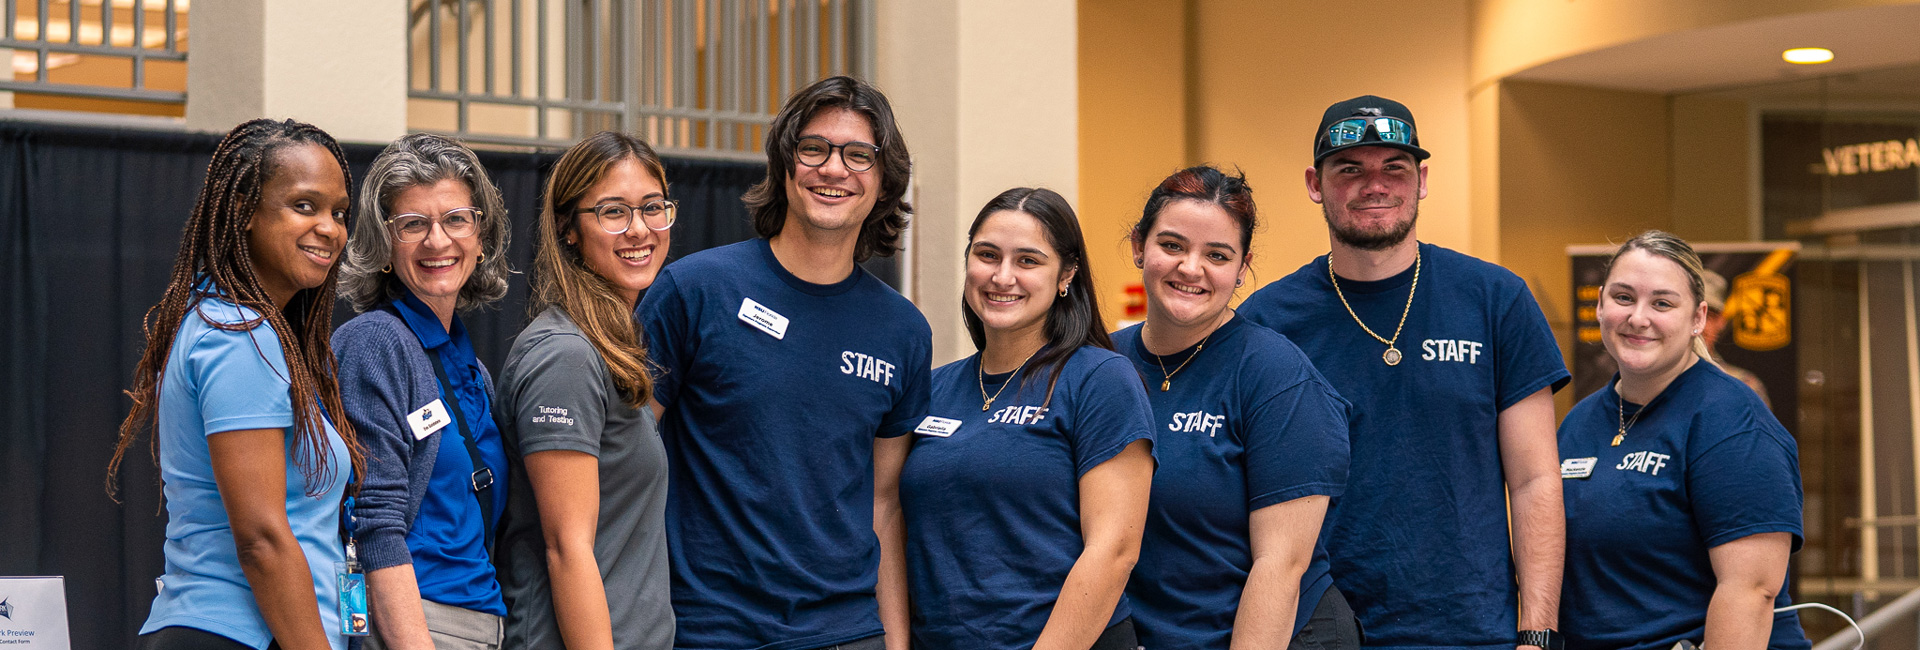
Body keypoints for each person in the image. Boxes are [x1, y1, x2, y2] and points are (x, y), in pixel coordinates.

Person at [1237, 95, 1570, 650]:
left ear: (1421, 180)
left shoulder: (1495, 299)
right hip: (1318, 628)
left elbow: (1535, 480)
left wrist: (1537, 632)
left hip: (1469, 630)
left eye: (1395, 167)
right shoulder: (1267, 321)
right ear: (1314, 183)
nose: (1375, 184)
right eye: (1350, 169)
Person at [636, 75, 931, 650]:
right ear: (785, 164)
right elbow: (628, 459)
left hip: (848, 632)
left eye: (858, 155)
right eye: (813, 148)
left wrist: (895, 643)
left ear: (884, 180)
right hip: (711, 629)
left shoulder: (903, 331)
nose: (833, 168)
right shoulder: (694, 291)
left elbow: (883, 502)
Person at [108, 118, 363, 650]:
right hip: (238, 634)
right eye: (304, 205)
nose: (330, 228)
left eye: (339, 212)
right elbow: (262, 540)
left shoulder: (236, 327)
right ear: (244, 211)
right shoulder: (239, 337)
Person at [902, 187, 1156, 650]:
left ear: (1066, 275)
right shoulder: (932, 389)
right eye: (987, 255)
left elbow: (1114, 551)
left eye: (1027, 261)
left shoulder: (1099, 378)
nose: (1002, 276)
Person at [1115, 166, 1354, 650]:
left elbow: (1281, 566)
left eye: (1217, 255)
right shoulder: (1101, 364)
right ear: (1140, 245)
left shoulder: (1273, 374)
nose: (1191, 268)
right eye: (1173, 245)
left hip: (1276, 633)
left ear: (1242, 268)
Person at [1558, 231, 1810, 650]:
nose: (1639, 317)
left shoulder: (1731, 420)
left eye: (1662, 303)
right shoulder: (1578, 423)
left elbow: (1752, 591)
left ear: (1698, 318)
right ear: (1600, 304)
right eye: (1623, 298)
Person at [493, 131, 677, 650]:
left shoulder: (610, 348)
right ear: (569, 229)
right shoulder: (565, 357)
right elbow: (565, 549)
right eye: (613, 212)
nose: (639, 229)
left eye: (652, 208)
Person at [332, 133, 513, 650]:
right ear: (384, 245)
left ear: (481, 235)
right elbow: (375, 524)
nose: (438, 241)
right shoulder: (375, 343)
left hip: (483, 627)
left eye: (455, 219)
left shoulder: (470, 366)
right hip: (417, 630)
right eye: (413, 225)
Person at [1699, 270, 1770, 407]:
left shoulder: (1745, 386)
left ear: (1721, 321)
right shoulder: (1653, 382)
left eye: (1708, 316)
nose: (1699, 326)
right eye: (1692, 315)